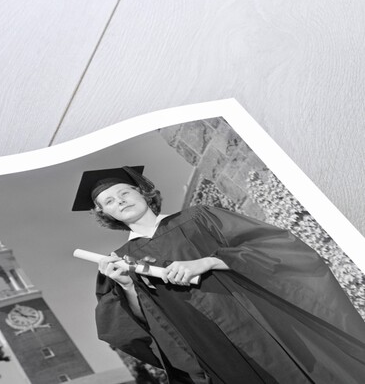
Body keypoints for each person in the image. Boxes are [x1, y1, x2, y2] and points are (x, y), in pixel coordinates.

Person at [72, 165, 365, 384]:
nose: (120, 201)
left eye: (125, 192)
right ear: (105, 214)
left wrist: (210, 262)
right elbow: (133, 330)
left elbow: (278, 248)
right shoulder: (121, 264)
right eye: (109, 201)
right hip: (213, 347)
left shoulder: (200, 218)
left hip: (267, 323)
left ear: (143, 192)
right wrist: (127, 288)